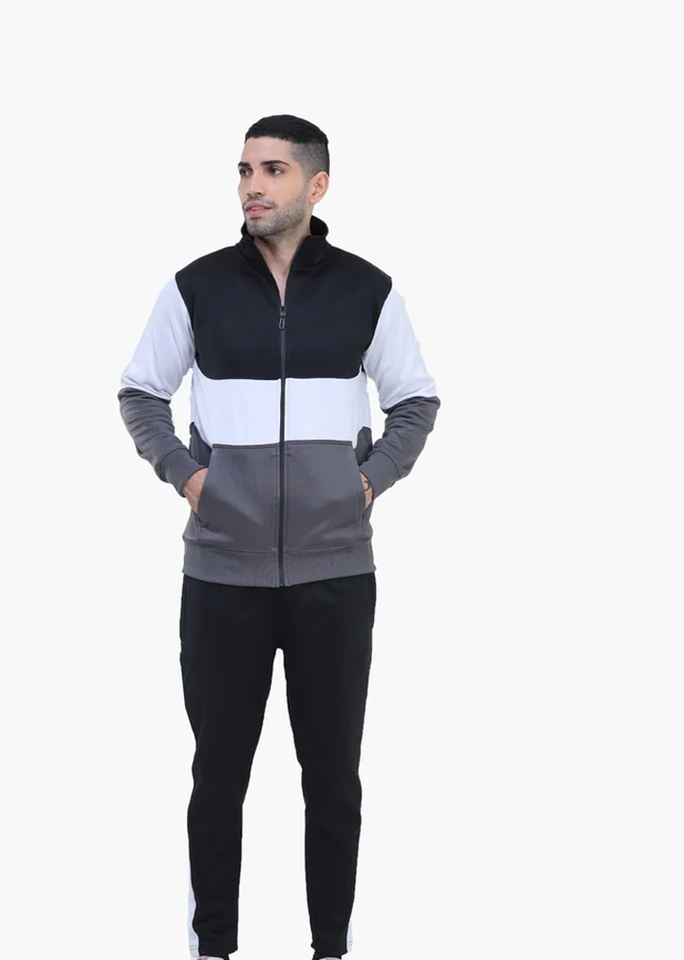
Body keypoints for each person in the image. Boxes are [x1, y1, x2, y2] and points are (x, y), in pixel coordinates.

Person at [117, 114, 441, 960]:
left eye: (272, 170)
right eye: (244, 170)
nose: (252, 186)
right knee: (218, 778)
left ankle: (330, 949)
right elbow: (140, 393)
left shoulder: (367, 289)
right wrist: (192, 479)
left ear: (316, 185)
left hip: (336, 573)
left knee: (333, 780)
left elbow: (415, 401)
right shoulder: (197, 287)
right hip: (222, 573)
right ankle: (213, 948)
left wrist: (366, 481)